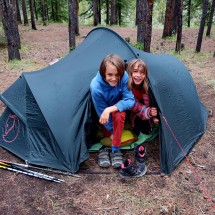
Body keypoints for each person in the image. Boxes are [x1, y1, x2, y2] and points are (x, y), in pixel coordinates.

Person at [90, 54, 135, 168]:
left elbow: (130, 100)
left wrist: (109, 109)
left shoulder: (124, 76)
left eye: (117, 75)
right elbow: (101, 113)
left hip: (117, 110)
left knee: (119, 115)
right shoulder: (96, 87)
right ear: (103, 73)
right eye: (110, 74)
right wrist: (112, 132)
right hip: (103, 116)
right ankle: (105, 146)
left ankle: (116, 150)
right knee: (107, 130)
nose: (114, 78)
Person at [119, 59, 159, 179]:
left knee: (147, 129)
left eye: (142, 72)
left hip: (146, 112)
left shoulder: (148, 87)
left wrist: (154, 114)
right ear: (129, 72)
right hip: (135, 114)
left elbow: (153, 103)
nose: (138, 75)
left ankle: (148, 126)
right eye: (135, 71)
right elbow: (135, 107)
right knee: (140, 128)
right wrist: (149, 113)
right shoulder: (127, 89)